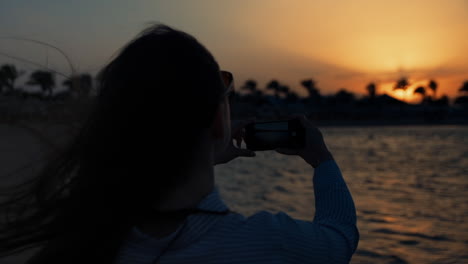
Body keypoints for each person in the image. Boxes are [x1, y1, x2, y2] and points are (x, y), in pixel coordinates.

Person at [0, 24, 358, 263]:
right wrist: (321, 158)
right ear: (219, 122)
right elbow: (340, 237)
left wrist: (202, 156)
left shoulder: (74, 245)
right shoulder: (269, 243)